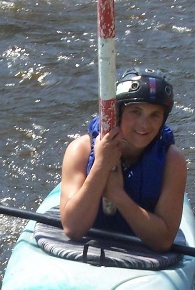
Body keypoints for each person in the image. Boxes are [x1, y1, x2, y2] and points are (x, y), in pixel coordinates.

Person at [59, 68, 186, 252]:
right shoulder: (80, 150)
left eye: (154, 115)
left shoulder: (172, 161)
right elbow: (73, 229)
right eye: (135, 111)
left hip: (141, 248)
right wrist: (101, 166)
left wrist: (117, 195)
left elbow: (163, 241)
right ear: (117, 113)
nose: (144, 125)